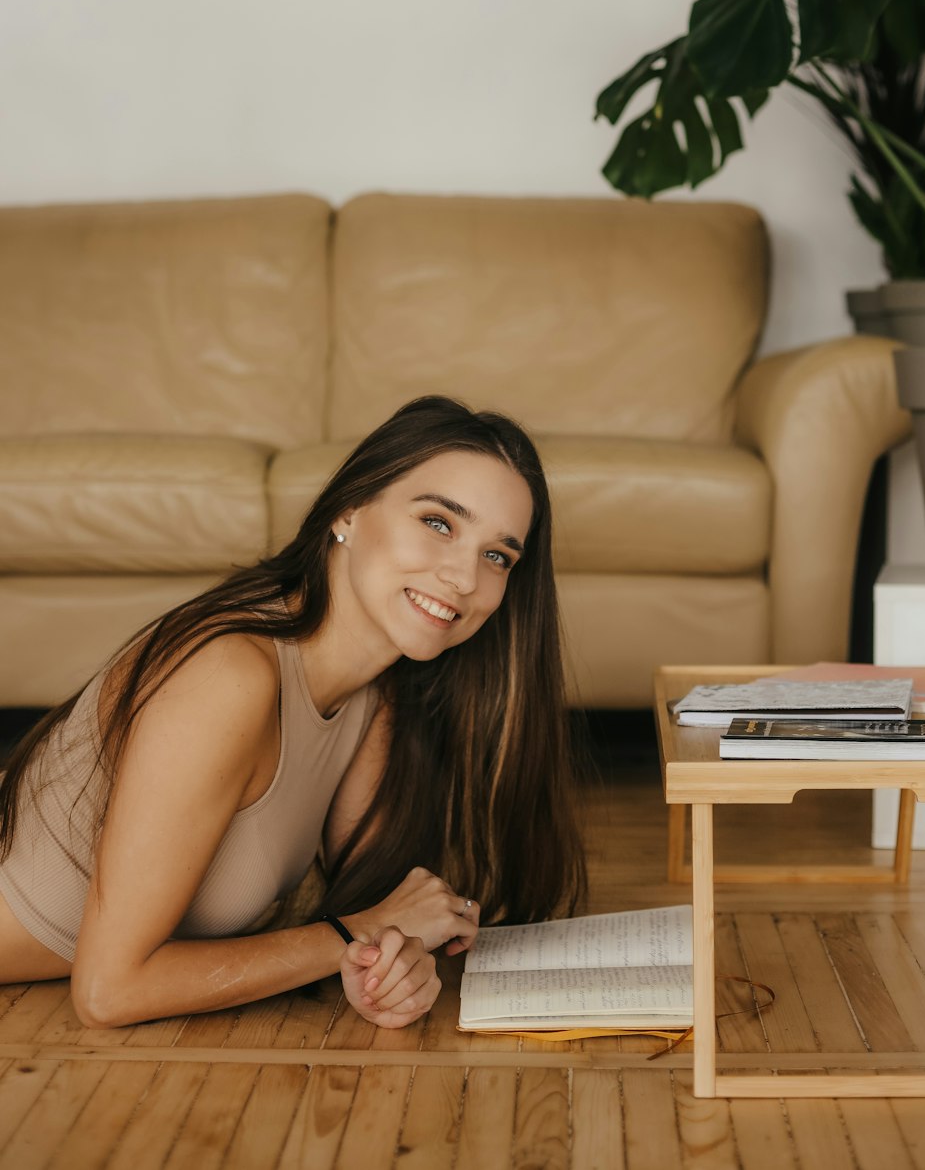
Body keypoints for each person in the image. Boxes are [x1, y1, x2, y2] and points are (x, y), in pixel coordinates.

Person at [0, 395, 586, 1029]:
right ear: (348, 512)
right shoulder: (230, 678)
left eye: (497, 556)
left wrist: (385, 963)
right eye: (439, 523)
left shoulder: (378, 694)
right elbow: (108, 993)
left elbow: (377, 913)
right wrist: (358, 931)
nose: (465, 577)